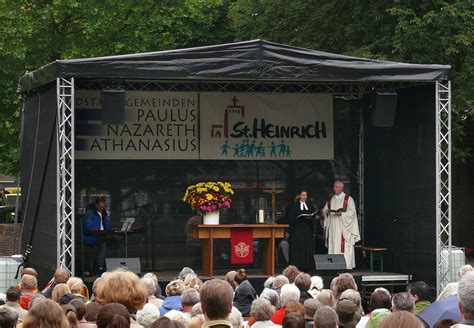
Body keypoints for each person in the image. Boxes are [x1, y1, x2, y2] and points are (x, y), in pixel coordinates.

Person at [322, 180, 360, 269]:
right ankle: (333, 266)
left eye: (336, 187)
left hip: (343, 228)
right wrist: (326, 212)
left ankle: (345, 266)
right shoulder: (331, 199)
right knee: (333, 246)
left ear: (341, 188)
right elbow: (324, 210)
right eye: (334, 187)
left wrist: (342, 214)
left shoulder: (348, 199)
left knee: (344, 247)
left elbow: (352, 213)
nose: (334, 188)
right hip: (333, 228)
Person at [285, 190, 317, 271]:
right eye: (302, 195)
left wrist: (311, 217)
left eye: (305, 195)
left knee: (307, 247)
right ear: (299, 196)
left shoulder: (310, 205)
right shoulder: (294, 206)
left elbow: (314, 216)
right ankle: (297, 265)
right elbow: (290, 218)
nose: (304, 197)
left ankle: (307, 266)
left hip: (307, 230)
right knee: (298, 247)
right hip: (297, 230)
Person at [82, 196, 114, 274]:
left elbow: (108, 225)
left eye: (103, 206)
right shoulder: (89, 213)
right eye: (100, 206)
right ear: (96, 205)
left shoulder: (104, 213)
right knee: (102, 244)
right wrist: (98, 232)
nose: (102, 208)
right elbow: (87, 228)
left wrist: (109, 231)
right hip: (91, 237)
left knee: (116, 243)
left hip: (102, 236)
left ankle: (117, 266)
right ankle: (99, 267)